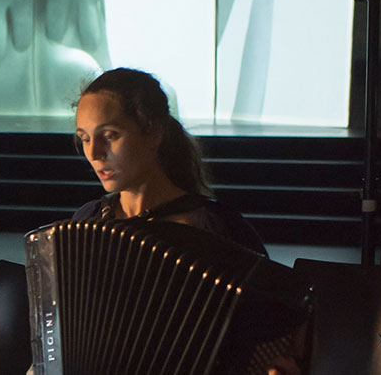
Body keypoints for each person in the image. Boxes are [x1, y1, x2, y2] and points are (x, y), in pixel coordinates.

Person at [71, 67, 267, 256]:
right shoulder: (88, 219)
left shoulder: (216, 227)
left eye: (109, 135)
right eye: (85, 139)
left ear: (154, 133)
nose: (94, 153)